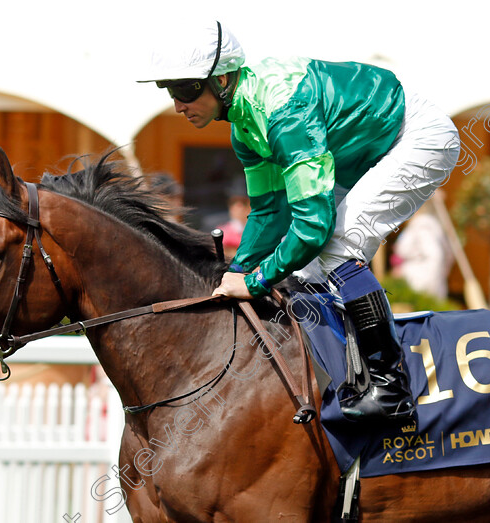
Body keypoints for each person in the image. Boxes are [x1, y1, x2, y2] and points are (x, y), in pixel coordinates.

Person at [139, 21, 460, 423]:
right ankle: (334, 376)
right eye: (170, 91)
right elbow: (270, 212)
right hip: (361, 151)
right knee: (307, 267)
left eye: (186, 90)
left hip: (415, 136)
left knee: (338, 242)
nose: (178, 105)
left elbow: (311, 226)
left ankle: (390, 387)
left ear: (222, 79)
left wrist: (256, 281)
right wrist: (233, 272)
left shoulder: (283, 114)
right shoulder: (245, 129)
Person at [391, 200, 454, 300]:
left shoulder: (422, 224)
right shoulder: (432, 224)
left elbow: (435, 254)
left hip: (419, 281)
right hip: (425, 277)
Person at [215, 177, 251, 258]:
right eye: (233, 202)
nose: (238, 207)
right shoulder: (222, 233)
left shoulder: (260, 231)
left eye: (244, 202)